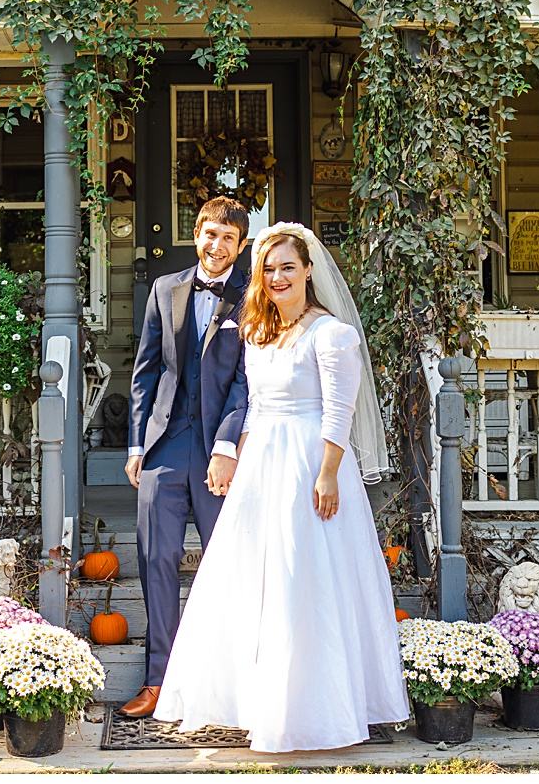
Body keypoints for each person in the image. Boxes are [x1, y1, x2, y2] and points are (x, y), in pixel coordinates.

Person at [154, 222, 408, 752]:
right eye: (268, 269)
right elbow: (252, 406)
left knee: (305, 580)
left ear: (308, 270)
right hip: (261, 466)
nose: (277, 277)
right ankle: (255, 700)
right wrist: (231, 455)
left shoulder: (331, 333)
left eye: (287, 267)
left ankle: (314, 708)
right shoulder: (256, 331)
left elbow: (340, 409)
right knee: (252, 581)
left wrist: (328, 472)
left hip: (309, 464)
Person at [121, 196, 252, 718]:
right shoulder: (164, 289)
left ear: (240, 247)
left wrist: (226, 445)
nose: (216, 245)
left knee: (227, 566)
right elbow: (145, 371)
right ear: (196, 234)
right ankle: (159, 681)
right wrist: (137, 443)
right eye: (209, 233)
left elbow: (248, 381)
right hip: (165, 447)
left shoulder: (252, 296)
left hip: (222, 453)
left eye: (228, 238)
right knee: (157, 560)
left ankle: (224, 684)